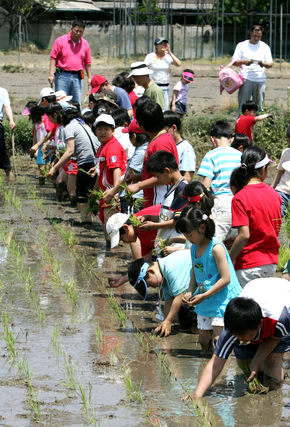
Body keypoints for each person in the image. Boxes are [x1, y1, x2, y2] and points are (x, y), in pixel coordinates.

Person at [186, 277, 290, 399]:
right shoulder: (232, 328)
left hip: (281, 298)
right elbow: (216, 363)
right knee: (246, 363)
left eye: (247, 337)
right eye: (238, 337)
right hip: (256, 289)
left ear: (260, 324)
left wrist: (256, 362)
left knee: (273, 360)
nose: (243, 340)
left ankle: (273, 400)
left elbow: (274, 339)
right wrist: (197, 394)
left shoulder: (281, 320)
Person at [176, 206, 241, 352]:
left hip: (222, 298)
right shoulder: (194, 247)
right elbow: (194, 270)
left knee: (219, 340)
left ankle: (220, 371)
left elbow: (226, 279)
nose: (188, 239)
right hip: (205, 298)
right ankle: (206, 365)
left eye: (189, 235)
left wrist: (203, 295)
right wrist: (189, 291)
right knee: (203, 341)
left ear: (202, 227)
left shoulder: (216, 248)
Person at [229, 146, 282, 288]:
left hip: (248, 264)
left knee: (246, 308)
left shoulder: (240, 198)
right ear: (263, 170)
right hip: (270, 263)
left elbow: (244, 235)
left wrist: (230, 257)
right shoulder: (275, 195)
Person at [47, 104, 99, 223]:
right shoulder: (83, 124)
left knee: (81, 195)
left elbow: (70, 150)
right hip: (96, 162)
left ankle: (86, 221)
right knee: (91, 193)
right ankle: (90, 219)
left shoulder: (69, 127)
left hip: (85, 162)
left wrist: (54, 168)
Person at [128, 250, 194, 336]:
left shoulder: (170, 268)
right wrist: (164, 322)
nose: (153, 287)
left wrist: (168, 321)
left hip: (208, 280)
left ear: (151, 272)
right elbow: (169, 300)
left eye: (149, 284)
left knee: (196, 327)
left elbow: (179, 296)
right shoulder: (163, 275)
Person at [126, 100, 179, 208]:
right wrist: (140, 177)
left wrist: (138, 186)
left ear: (142, 126)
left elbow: (165, 175)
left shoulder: (161, 143)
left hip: (159, 199)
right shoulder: (158, 139)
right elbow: (157, 173)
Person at [198, 120, 241, 242]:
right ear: (231, 139)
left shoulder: (211, 155)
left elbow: (206, 183)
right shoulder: (239, 155)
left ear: (212, 139)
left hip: (220, 202)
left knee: (216, 241)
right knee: (234, 242)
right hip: (239, 201)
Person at [137, 150, 188, 255]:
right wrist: (149, 217)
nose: (157, 180)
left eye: (157, 176)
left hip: (174, 248)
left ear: (166, 171)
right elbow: (168, 216)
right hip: (165, 246)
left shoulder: (183, 190)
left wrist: (154, 226)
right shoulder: (172, 187)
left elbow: (178, 221)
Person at [102, 119, 150, 214]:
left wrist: (112, 192)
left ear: (134, 136)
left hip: (133, 197)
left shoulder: (140, 153)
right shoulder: (143, 148)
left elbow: (129, 177)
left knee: (129, 225)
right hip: (135, 195)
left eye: (129, 135)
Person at [91, 114, 127, 229]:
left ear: (113, 131)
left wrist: (115, 192)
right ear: (95, 131)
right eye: (100, 129)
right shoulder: (102, 147)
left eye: (106, 129)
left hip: (112, 193)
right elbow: (100, 172)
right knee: (107, 226)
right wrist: (95, 190)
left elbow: (116, 169)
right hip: (105, 192)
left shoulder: (112, 147)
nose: (103, 132)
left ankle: (112, 247)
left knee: (111, 228)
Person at [48, 19, 92, 105]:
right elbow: (53, 58)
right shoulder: (60, 41)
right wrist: (51, 74)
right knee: (61, 102)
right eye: (76, 31)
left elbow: (87, 62)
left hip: (77, 77)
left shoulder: (85, 44)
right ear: (71, 29)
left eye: (81, 32)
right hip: (62, 76)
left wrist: (90, 77)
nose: (78, 33)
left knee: (76, 103)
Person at [232, 24, 273, 112]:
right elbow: (234, 62)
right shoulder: (242, 45)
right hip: (246, 79)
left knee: (258, 107)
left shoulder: (265, 47)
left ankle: (257, 124)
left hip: (260, 80)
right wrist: (245, 62)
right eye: (255, 36)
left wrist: (263, 64)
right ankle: (241, 123)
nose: (257, 38)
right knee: (243, 107)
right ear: (250, 33)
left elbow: (270, 64)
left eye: (259, 36)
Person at [144, 37, 181, 110]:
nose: (164, 45)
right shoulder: (150, 56)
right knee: (150, 109)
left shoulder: (168, 56)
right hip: (153, 87)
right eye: (161, 44)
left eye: (165, 44)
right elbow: (143, 68)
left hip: (165, 88)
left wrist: (170, 52)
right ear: (156, 46)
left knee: (164, 109)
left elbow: (178, 64)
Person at [163, 111, 196, 182]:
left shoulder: (186, 149)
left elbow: (187, 178)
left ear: (174, 128)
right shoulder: (165, 145)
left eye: (164, 130)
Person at [271, 125, 290, 217]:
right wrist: (271, 189)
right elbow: (279, 172)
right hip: (283, 192)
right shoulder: (286, 152)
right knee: (275, 215)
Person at [0, 87, 16, 180]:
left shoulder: (3, 91)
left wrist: (11, 120)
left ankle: (9, 176)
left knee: (2, 151)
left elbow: (7, 106)